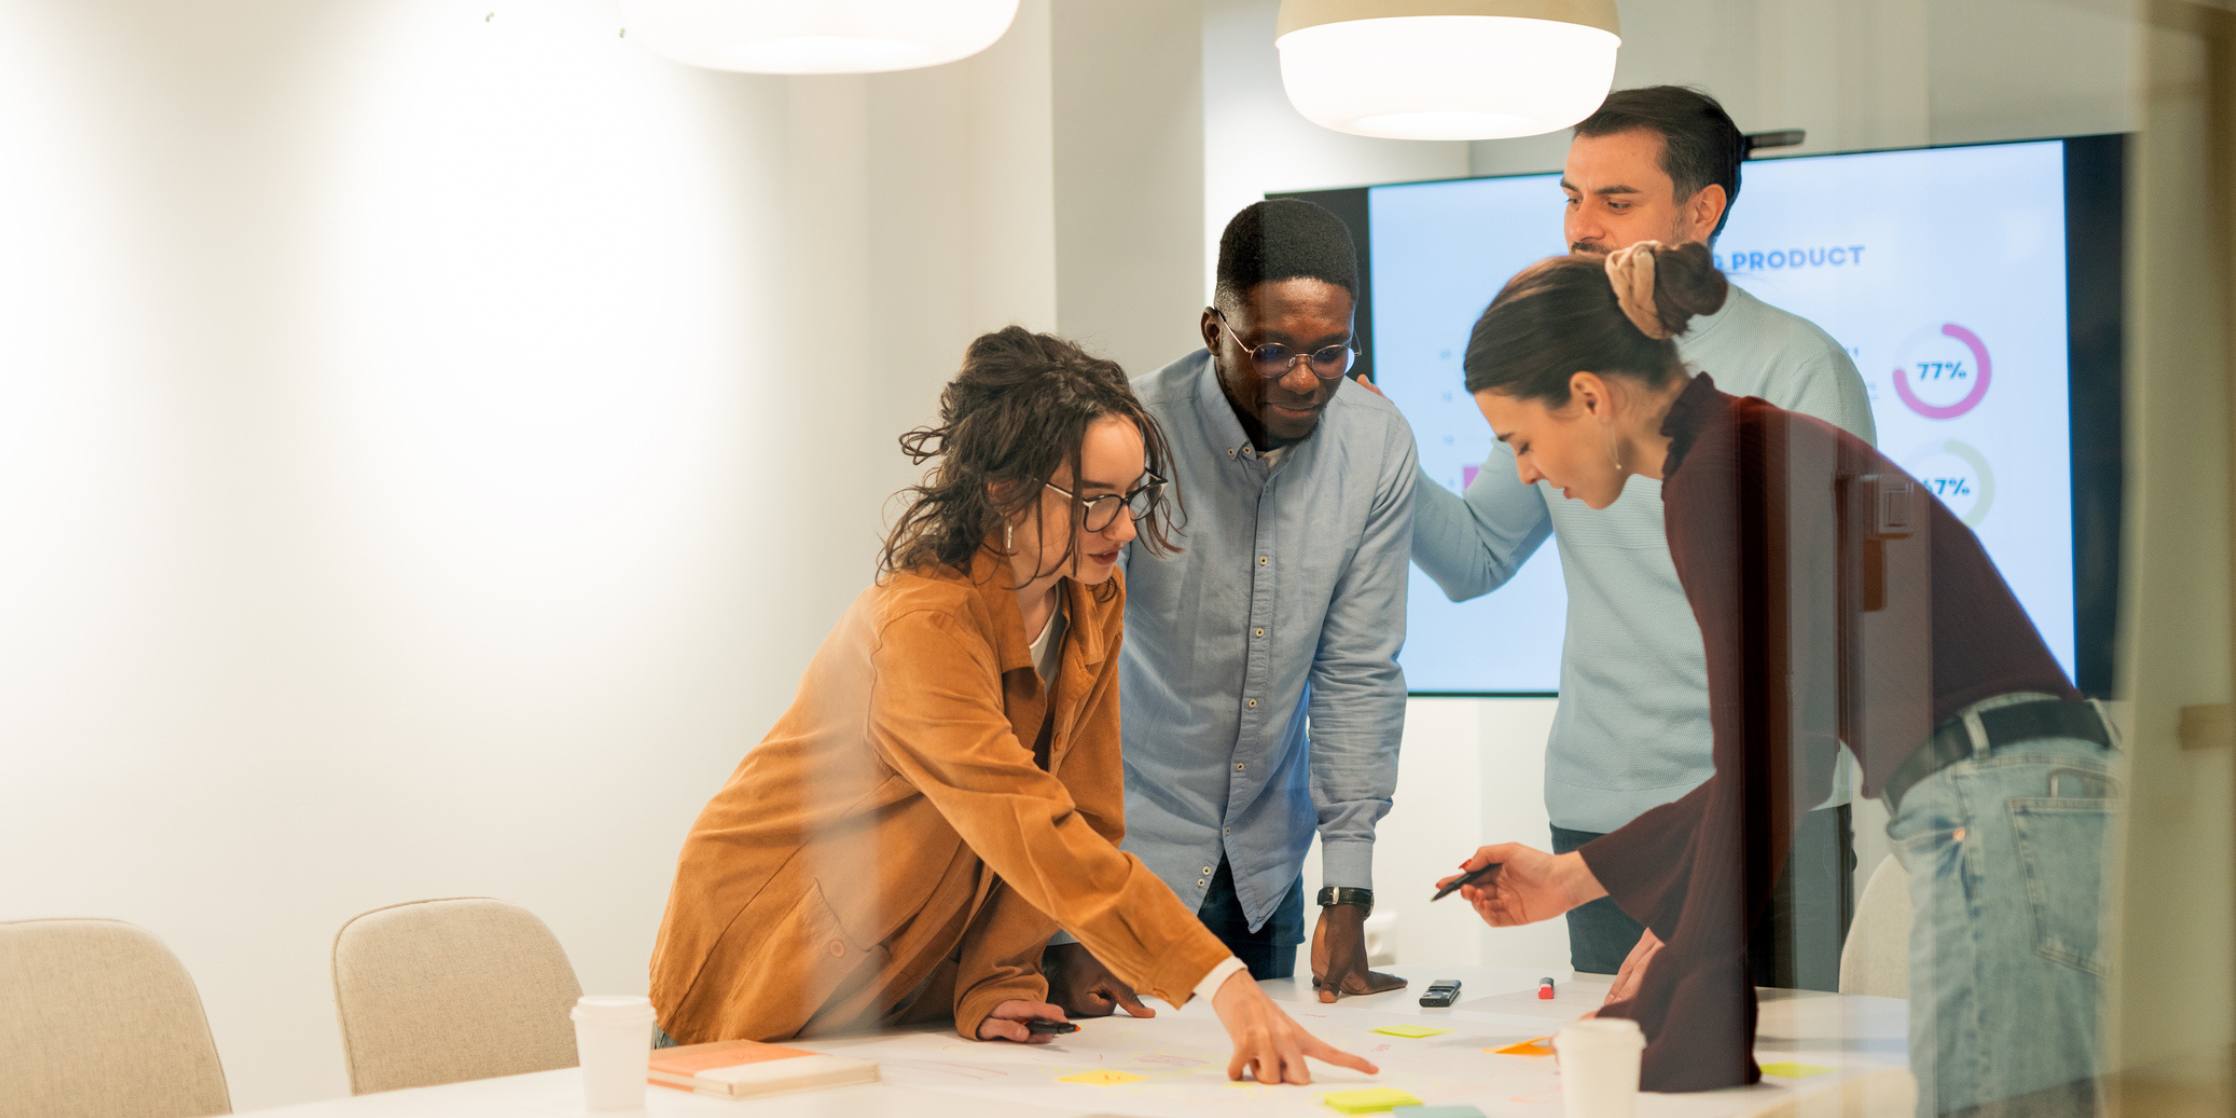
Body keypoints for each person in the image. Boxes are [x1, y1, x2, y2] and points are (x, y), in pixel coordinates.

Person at [1440, 243, 2114, 1113]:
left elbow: (1765, 766)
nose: (1528, 472)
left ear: (1591, 396)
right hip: (2029, 795)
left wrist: (1688, 986)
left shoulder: (1717, 474)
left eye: (1521, 442)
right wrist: (1586, 879)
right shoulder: (1740, 445)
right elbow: (1783, 755)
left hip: (1996, 801)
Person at [647, 327, 1376, 1085]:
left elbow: (1085, 810)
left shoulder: (1089, 593)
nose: (1124, 528)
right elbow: (1027, 820)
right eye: (1096, 502)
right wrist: (1219, 980)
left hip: (886, 986)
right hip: (764, 960)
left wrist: (999, 976)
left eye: (1132, 498)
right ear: (1004, 488)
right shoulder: (919, 628)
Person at [1394, 85, 1876, 989]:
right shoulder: (1559, 363)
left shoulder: (1797, 368)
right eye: (1571, 196)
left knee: (1784, 1077)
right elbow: (1473, 557)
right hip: (1600, 805)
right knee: (1623, 1074)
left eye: (1616, 202)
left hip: (1775, 810)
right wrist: (1369, 438)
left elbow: (1827, 635)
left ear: (1702, 211)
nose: (1583, 227)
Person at [1044, 200, 1417, 1015]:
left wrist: (1345, 891)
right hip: (1123, 860)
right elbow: (1062, 673)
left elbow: (1356, 670)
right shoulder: (1130, 434)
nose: (1304, 377)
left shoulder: (1379, 444)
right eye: (1272, 348)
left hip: (1263, 869)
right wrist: (1062, 923)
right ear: (1215, 330)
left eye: (1331, 352)